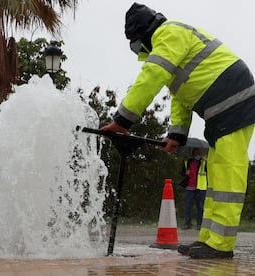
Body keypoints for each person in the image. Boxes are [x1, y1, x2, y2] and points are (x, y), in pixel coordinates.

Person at [101, 2, 255, 258]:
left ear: (143, 34)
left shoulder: (169, 34)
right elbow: (180, 96)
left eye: (134, 41)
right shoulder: (173, 42)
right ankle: (209, 240)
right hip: (223, 110)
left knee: (228, 176)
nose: (135, 48)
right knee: (218, 178)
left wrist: (122, 120)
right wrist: (176, 135)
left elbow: (151, 77)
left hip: (235, 103)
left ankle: (220, 245)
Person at [180, 148, 207, 230]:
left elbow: (210, 171)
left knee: (200, 207)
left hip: (200, 187)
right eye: (196, 153)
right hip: (189, 188)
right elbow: (181, 172)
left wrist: (207, 162)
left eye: (198, 153)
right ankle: (188, 224)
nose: (197, 154)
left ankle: (200, 224)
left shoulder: (204, 162)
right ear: (193, 154)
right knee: (188, 207)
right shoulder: (187, 162)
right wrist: (185, 173)